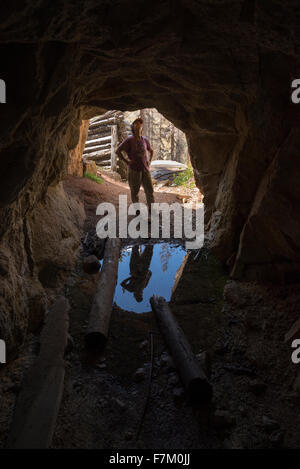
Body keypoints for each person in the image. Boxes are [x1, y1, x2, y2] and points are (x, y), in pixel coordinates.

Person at [116, 117, 155, 213]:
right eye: (136, 124)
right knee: (135, 191)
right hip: (134, 170)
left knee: (149, 190)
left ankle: (151, 209)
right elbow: (118, 151)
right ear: (133, 127)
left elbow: (151, 150)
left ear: (142, 127)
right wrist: (127, 162)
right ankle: (137, 211)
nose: (138, 125)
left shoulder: (145, 140)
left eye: (140, 124)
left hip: (145, 169)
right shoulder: (129, 140)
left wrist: (149, 161)